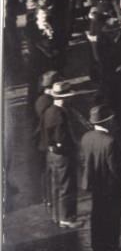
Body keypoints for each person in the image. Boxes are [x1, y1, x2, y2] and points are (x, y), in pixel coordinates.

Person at [80, 104, 121, 251]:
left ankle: (97, 245)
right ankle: (111, 248)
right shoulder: (110, 142)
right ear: (106, 122)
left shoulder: (86, 137)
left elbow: (84, 161)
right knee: (112, 218)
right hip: (110, 188)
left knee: (97, 215)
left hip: (95, 185)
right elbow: (115, 170)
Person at [41, 82, 81, 228]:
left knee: (55, 185)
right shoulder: (61, 114)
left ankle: (56, 216)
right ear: (65, 98)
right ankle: (67, 218)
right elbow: (61, 139)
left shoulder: (49, 111)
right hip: (63, 155)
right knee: (67, 186)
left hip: (51, 155)